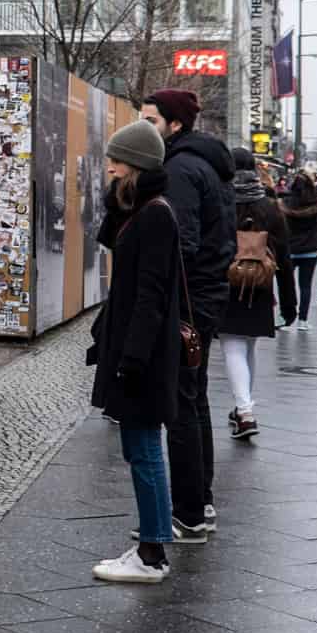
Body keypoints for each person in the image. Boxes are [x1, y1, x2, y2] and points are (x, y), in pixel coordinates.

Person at [85, 119, 180, 583]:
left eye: (116, 161)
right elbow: (111, 244)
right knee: (141, 448)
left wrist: (132, 359)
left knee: (143, 449)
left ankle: (151, 553)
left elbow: (151, 294)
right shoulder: (140, 211)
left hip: (142, 354)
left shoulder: (156, 215)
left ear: (137, 166)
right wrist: (119, 201)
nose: (109, 168)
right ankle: (153, 543)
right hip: (135, 349)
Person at [137, 89, 234, 545]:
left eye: (150, 121)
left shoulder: (178, 169)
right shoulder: (203, 163)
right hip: (205, 296)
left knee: (179, 404)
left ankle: (189, 513)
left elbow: (181, 243)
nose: (143, 129)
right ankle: (201, 503)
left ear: (175, 126)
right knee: (194, 400)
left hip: (189, 300)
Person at [218, 151, 295, 440]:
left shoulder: (222, 202)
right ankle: (243, 407)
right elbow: (285, 259)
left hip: (227, 283)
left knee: (233, 346)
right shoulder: (270, 207)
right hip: (261, 286)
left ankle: (245, 412)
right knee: (248, 346)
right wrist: (290, 303)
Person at [281, 172, 317, 330]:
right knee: (305, 286)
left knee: (286, 285)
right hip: (310, 249)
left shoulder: (286, 202)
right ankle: (303, 320)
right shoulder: (316, 201)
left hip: (290, 248)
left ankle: (287, 319)